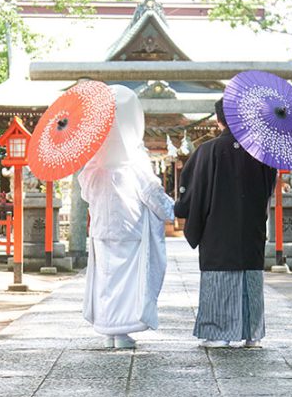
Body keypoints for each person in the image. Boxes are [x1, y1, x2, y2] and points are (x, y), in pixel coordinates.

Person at [175, 98, 276, 348]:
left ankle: (219, 333)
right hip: (250, 228)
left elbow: (192, 191)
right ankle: (252, 334)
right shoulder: (261, 152)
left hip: (217, 230)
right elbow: (268, 189)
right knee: (250, 277)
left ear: (219, 120)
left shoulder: (208, 151)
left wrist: (182, 207)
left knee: (220, 276)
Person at [79, 85, 175, 349]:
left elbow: (87, 193)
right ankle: (121, 331)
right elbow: (151, 191)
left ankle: (109, 330)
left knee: (107, 277)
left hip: (102, 226)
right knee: (126, 280)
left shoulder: (94, 158)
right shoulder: (134, 156)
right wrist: (172, 210)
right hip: (129, 225)